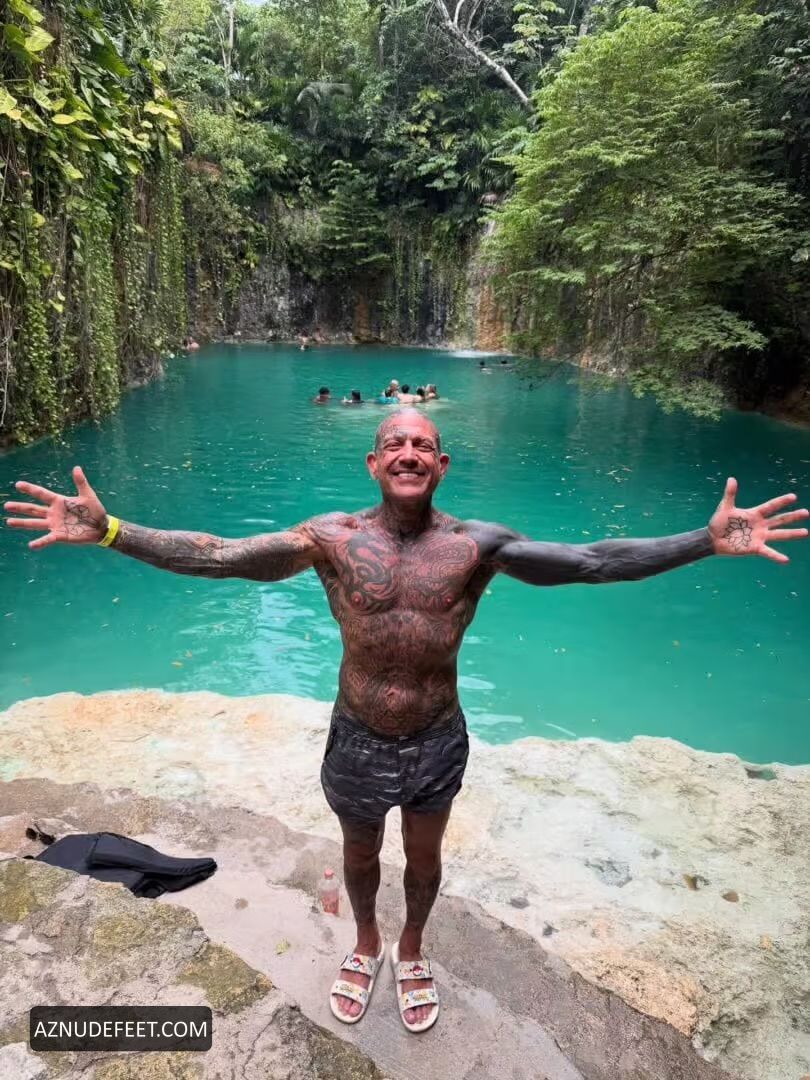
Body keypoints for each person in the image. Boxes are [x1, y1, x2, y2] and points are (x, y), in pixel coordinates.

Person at [4, 413, 807, 1035]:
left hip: (436, 740)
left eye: (424, 445)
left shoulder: (477, 546)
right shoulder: (331, 540)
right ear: (374, 462)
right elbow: (216, 554)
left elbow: (596, 561)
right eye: (396, 444)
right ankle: (365, 943)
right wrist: (112, 531)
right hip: (356, 738)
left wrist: (703, 542)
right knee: (359, 854)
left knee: (424, 858)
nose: (410, 454)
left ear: (442, 464)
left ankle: (412, 948)